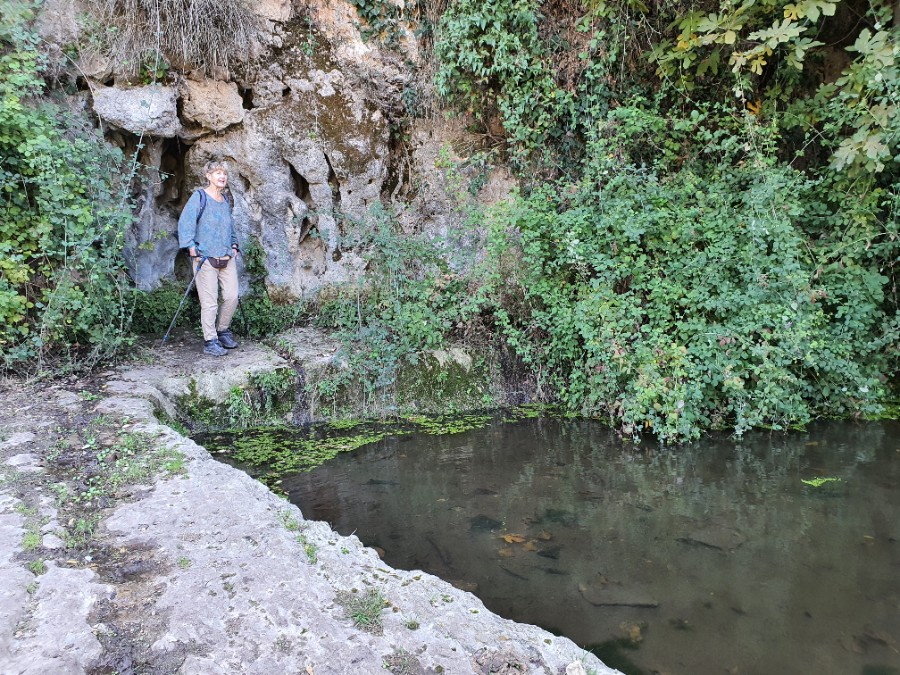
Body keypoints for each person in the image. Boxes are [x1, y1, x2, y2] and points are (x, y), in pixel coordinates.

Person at [177, 159, 241, 356]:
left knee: (231, 297)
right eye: (217, 173)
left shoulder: (225, 201)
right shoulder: (199, 197)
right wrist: (191, 248)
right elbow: (185, 223)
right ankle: (210, 340)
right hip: (205, 260)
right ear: (208, 176)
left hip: (226, 258)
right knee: (210, 302)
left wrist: (234, 244)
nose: (222, 177)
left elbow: (229, 226)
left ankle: (222, 331)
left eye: (224, 174)